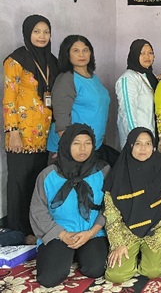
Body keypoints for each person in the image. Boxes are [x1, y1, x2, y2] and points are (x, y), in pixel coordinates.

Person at [30, 123, 110, 287]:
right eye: (76, 143)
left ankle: (79, 252)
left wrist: (91, 232)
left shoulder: (102, 171)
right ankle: (67, 253)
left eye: (88, 143)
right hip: (58, 232)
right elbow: (38, 211)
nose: (83, 149)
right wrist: (62, 234)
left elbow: (109, 206)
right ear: (66, 145)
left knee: (95, 269)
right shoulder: (48, 175)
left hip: (91, 232)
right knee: (49, 279)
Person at [3, 14, 58, 241]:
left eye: (46, 32)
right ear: (27, 33)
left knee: (37, 183)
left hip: (45, 136)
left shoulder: (52, 61)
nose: (42, 36)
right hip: (21, 136)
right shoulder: (15, 61)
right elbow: (9, 98)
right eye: (37, 31)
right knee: (19, 183)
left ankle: (34, 230)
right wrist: (12, 131)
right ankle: (17, 232)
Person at [103, 127, 161, 283]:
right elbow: (111, 214)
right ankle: (133, 255)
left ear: (154, 146)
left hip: (155, 229)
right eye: (138, 144)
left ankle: (142, 256)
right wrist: (118, 243)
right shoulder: (118, 174)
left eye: (148, 144)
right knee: (116, 275)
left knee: (153, 271)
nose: (143, 148)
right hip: (127, 231)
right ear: (130, 146)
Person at [47, 35, 110, 158]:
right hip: (72, 149)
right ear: (67, 54)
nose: (82, 54)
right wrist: (70, 148)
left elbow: (99, 111)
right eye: (76, 51)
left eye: (85, 50)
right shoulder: (67, 79)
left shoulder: (94, 78)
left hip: (91, 146)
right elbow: (61, 118)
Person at [116, 39, 158, 148]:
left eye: (150, 53)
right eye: (142, 53)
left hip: (150, 138)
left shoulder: (150, 77)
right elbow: (128, 113)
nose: (147, 56)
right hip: (137, 142)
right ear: (134, 55)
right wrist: (136, 140)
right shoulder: (128, 79)